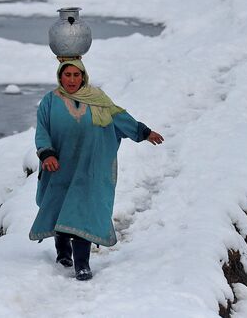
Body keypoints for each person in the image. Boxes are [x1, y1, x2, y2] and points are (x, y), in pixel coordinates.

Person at [29, 59, 164, 281]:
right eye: (67, 75)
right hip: (60, 167)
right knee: (61, 208)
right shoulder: (50, 102)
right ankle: (63, 252)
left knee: (84, 211)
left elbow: (121, 117)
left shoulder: (99, 100)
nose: (72, 79)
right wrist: (47, 153)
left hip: (89, 169)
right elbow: (42, 130)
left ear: (83, 76)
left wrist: (144, 132)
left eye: (76, 75)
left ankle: (82, 263)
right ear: (60, 77)